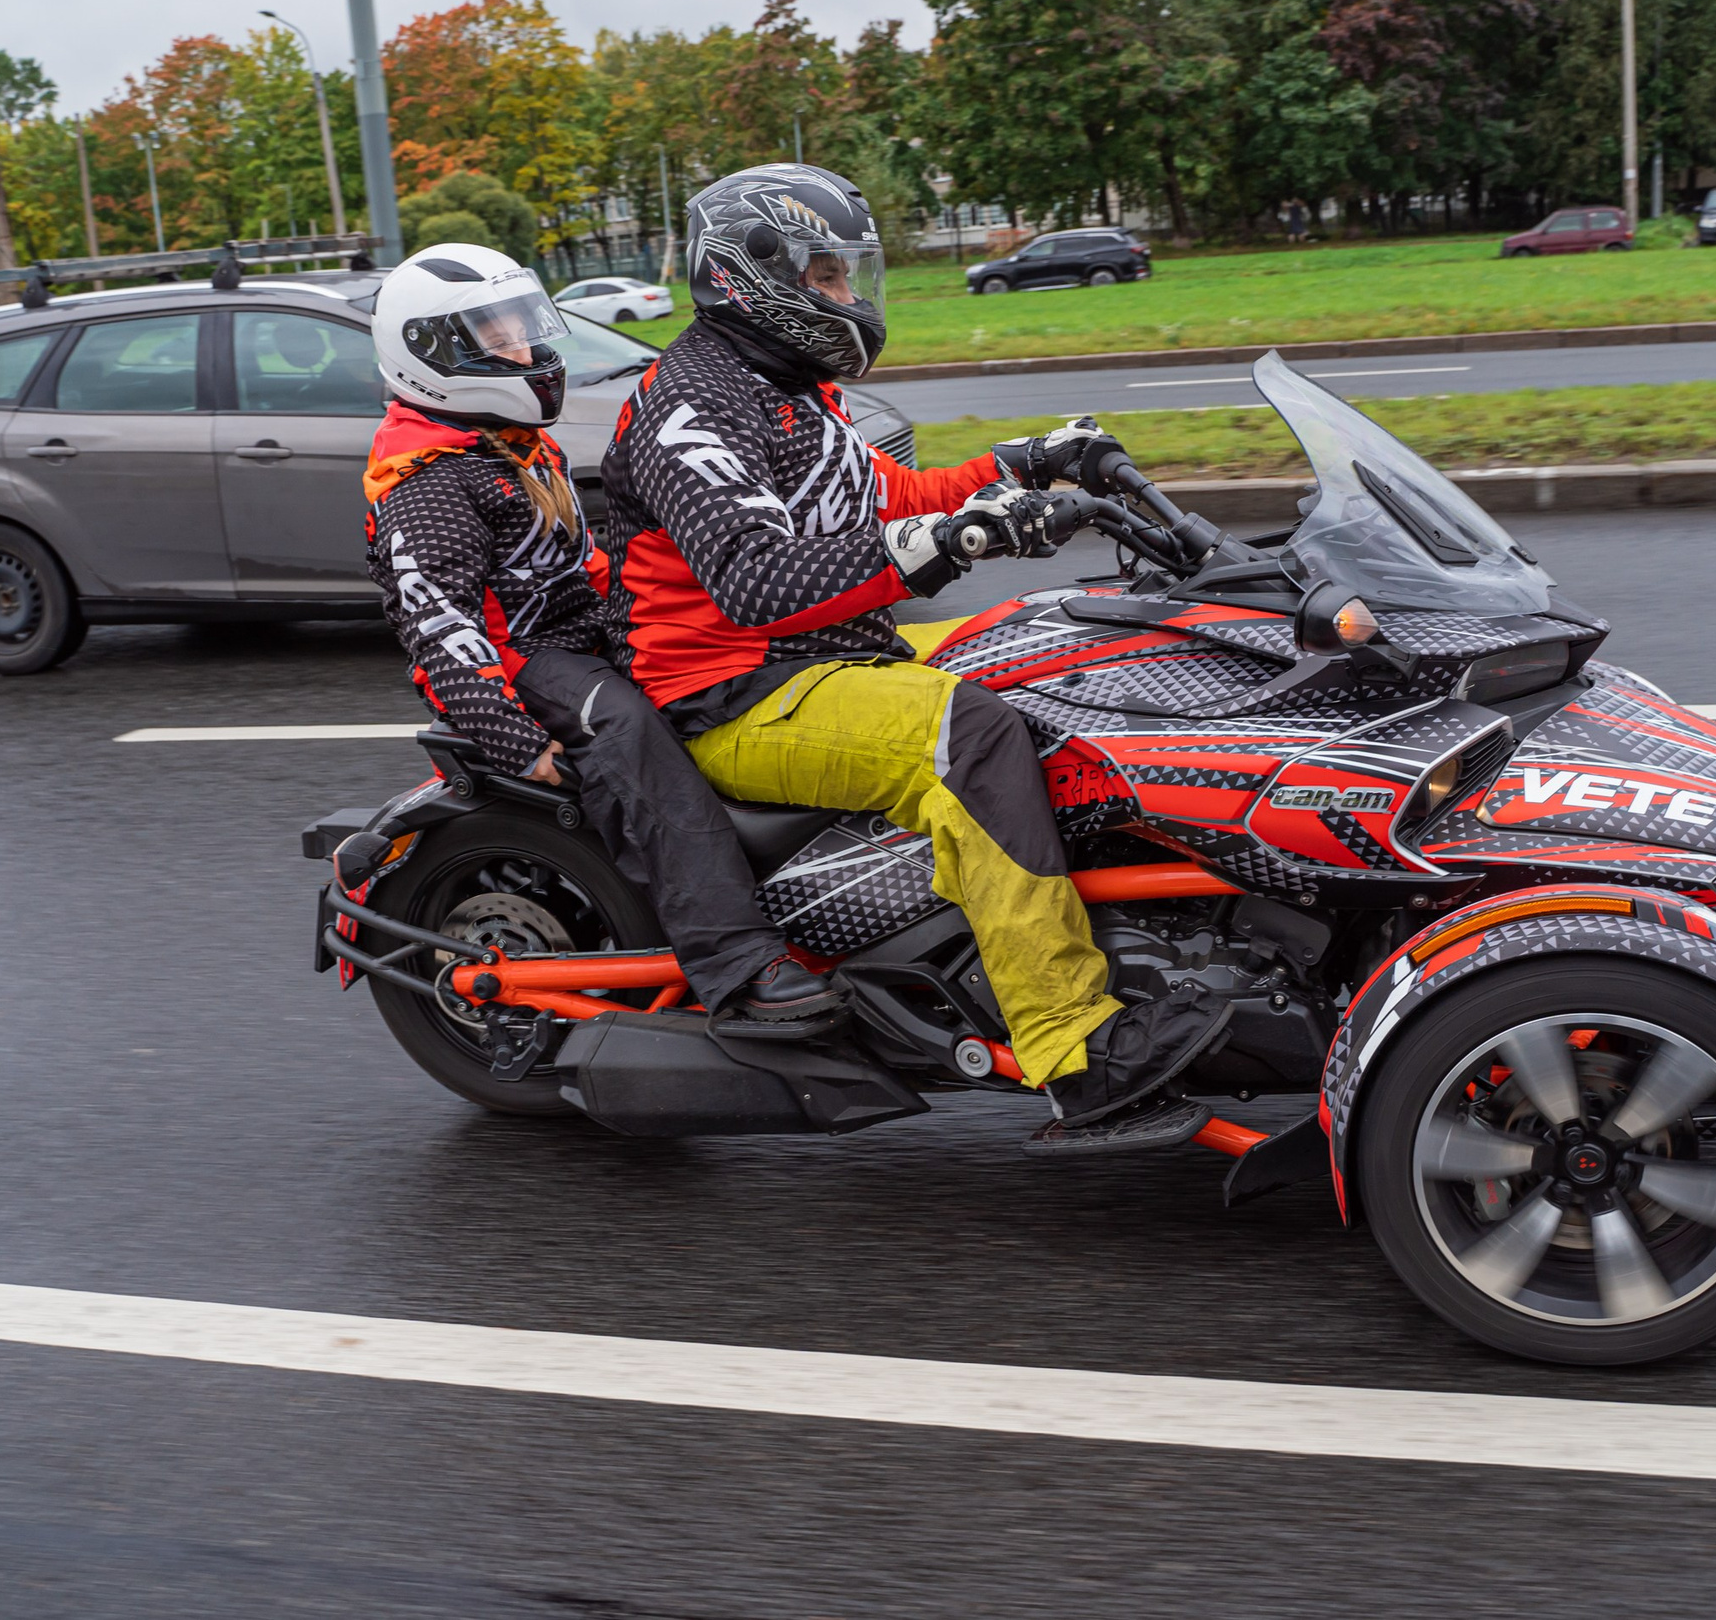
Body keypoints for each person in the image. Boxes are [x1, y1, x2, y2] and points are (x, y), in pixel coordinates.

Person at [600, 164, 1232, 1144]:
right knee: (969, 737)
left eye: (850, 279)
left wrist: (1021, 465)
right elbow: (755, 580)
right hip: (736, 686)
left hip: (837, 649)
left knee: (1069, 633)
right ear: (749, 275)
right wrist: (957, 542)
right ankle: (1076, 1050)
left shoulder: (785, 390)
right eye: (828, 278)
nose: (848, 300)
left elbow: (888, 503)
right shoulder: (690, 409)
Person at [363, 242, 835, 1022]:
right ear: (431, 353)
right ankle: (737, 958)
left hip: (579, 634)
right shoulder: (426, 479)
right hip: (526, 662)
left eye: (523, 328)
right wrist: (515, 740)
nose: (525, 350)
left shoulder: (508, 446)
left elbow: (583, 562)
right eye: (497, 338)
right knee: (626, 728)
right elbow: (439, 628)